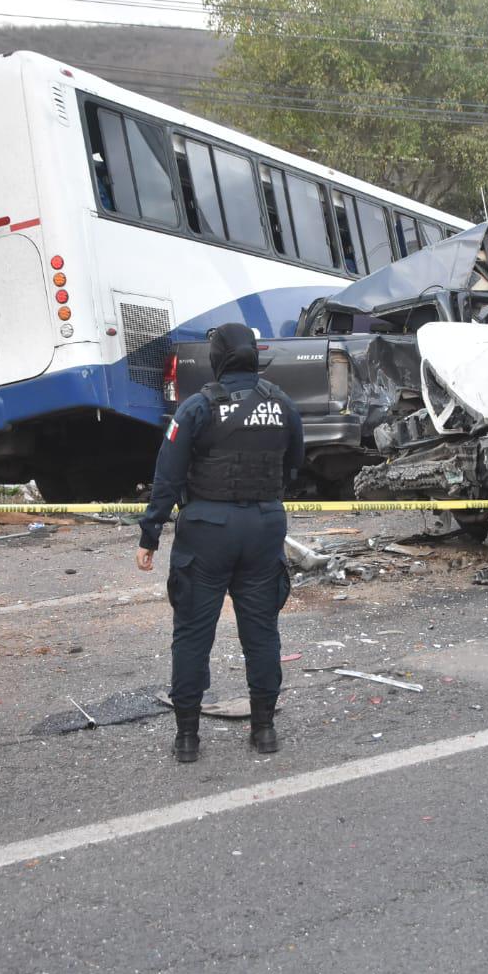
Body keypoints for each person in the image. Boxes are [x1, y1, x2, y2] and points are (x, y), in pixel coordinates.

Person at [135, 323, 305, 764]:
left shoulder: (196, 407)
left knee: (192, 633)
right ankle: (264, 729)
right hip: (265, 526)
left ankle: (187, 738)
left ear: (217, 358)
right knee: (262, 630)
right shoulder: (281, 403)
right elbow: (295, 463)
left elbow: (167, 477)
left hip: (207, 529)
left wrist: (150, 533)